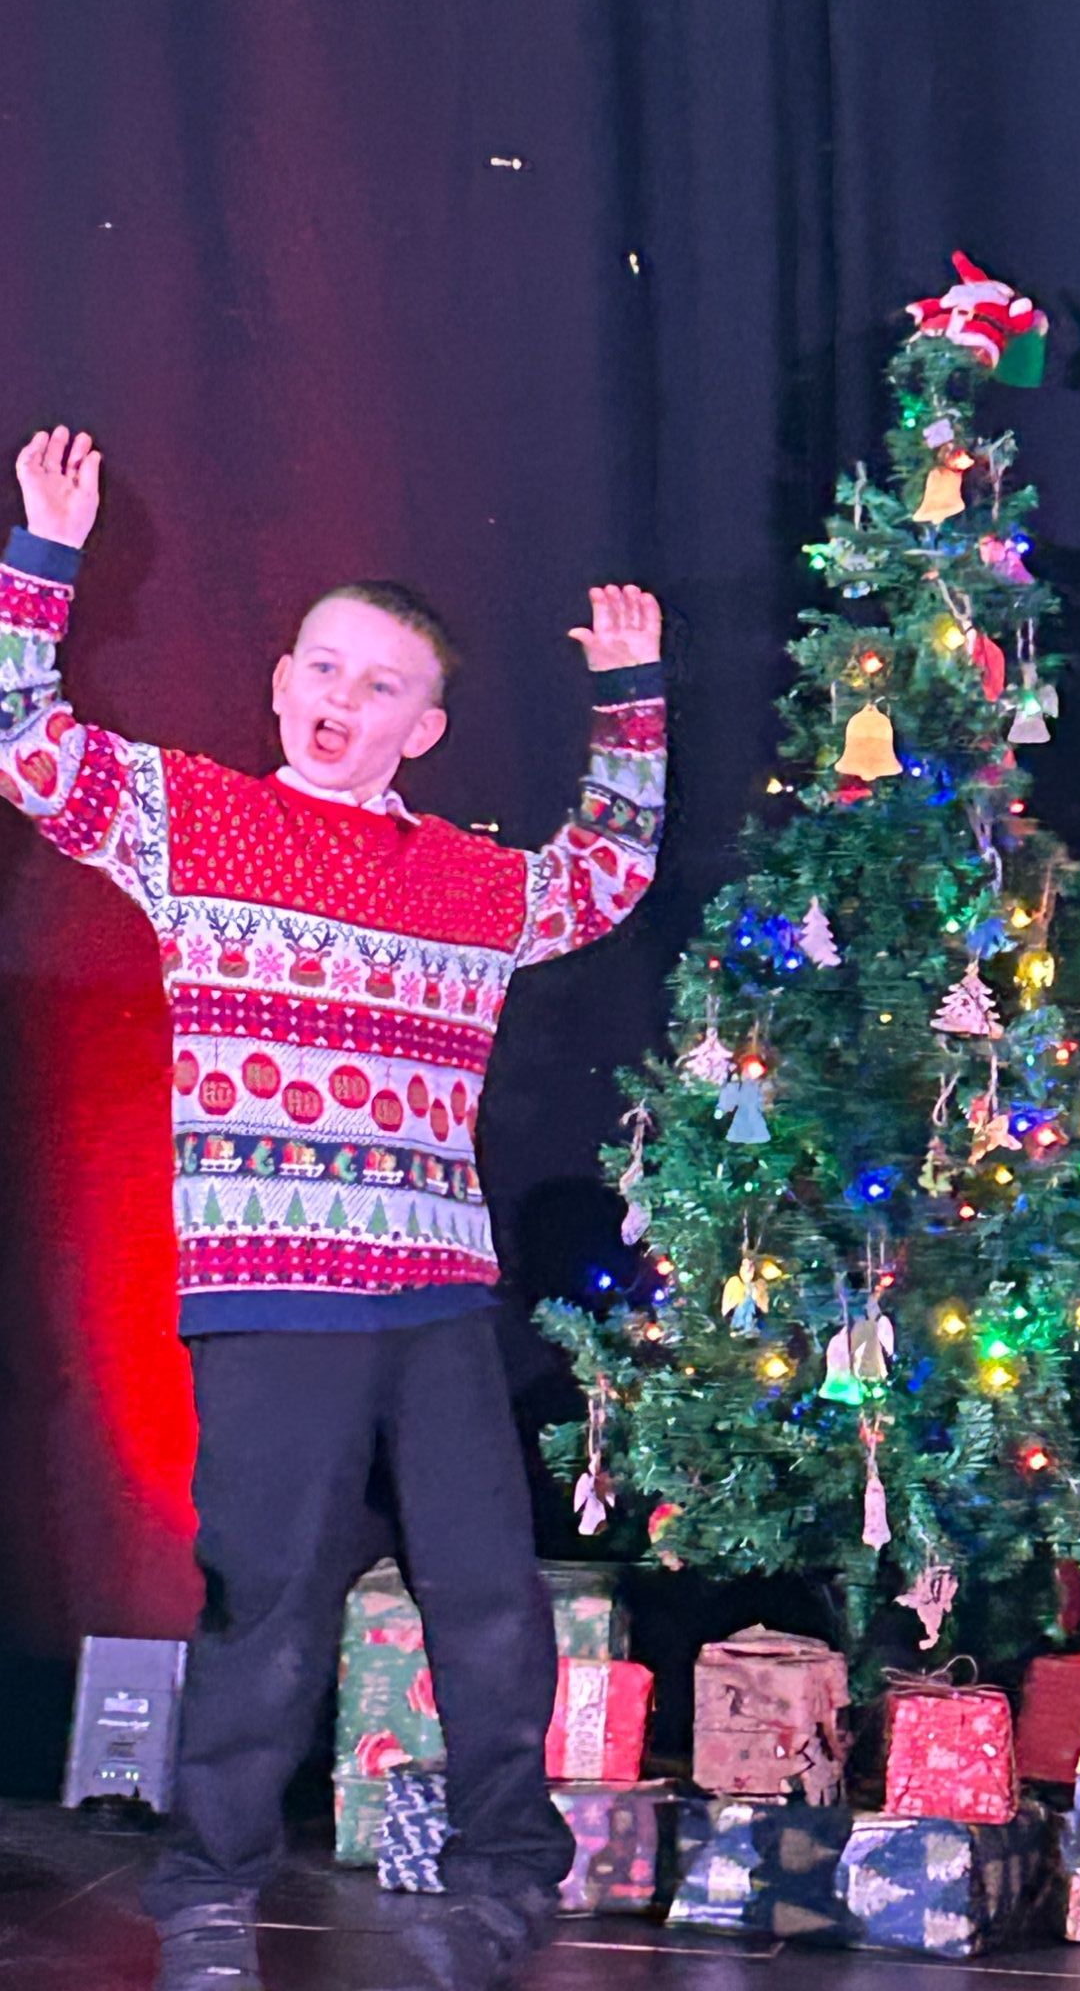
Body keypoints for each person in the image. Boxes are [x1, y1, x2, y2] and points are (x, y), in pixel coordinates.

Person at [0, 426, 668, 1991]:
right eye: (321, 665)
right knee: (268, 1597)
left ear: (423, 729)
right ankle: (212, 1889)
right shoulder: (194, 820)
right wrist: (43, 553)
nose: (339, 698)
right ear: (281, 681)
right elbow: (27, 740)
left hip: (433, 1293)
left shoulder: (467, 881)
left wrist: (630, 702)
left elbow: (609, 874)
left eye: (379, 686)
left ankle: (510, 1871)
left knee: (487, 1601)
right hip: (272, 1280)